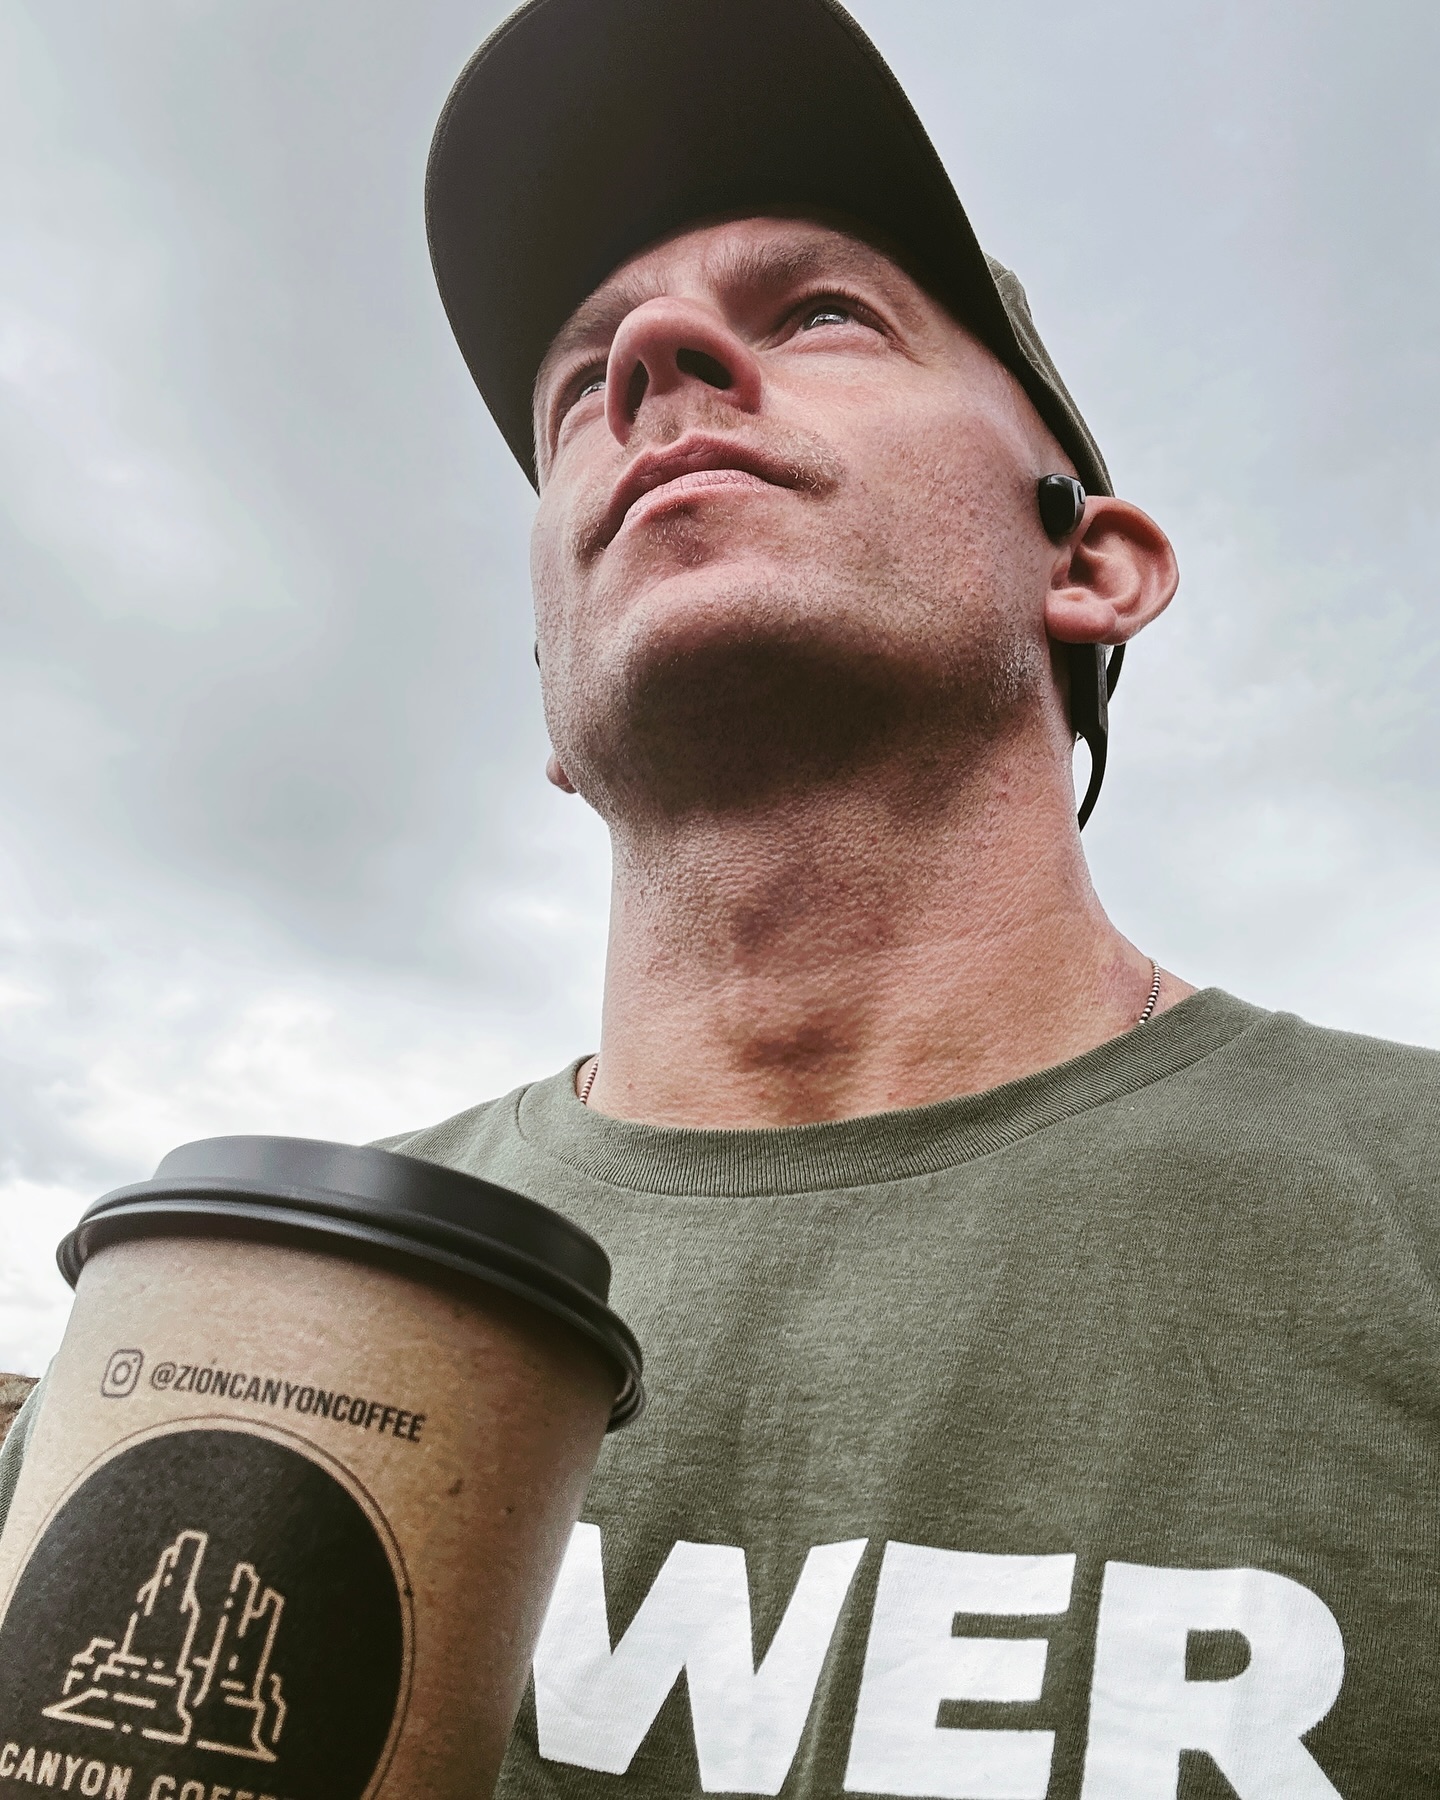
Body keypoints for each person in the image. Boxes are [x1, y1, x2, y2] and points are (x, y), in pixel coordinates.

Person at [3, 1, 1437, 1795]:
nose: (652, 358)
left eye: (823, 309)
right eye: (581, 379)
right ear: (548, 695)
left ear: (1096, 561)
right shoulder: (225, 1314)